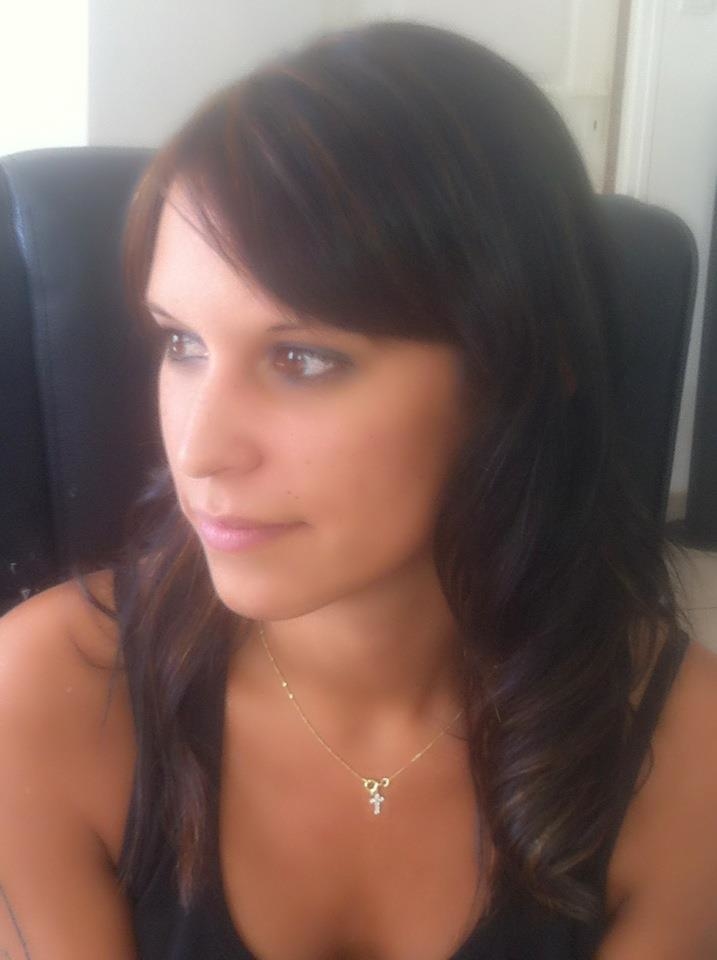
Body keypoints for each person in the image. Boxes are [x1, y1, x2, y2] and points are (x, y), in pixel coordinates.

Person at [1, 18, 716, 960]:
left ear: (527, 365)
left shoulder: (684, 750)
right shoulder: (44, 698)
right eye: (182, 343)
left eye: (302, 358)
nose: (198, 451)